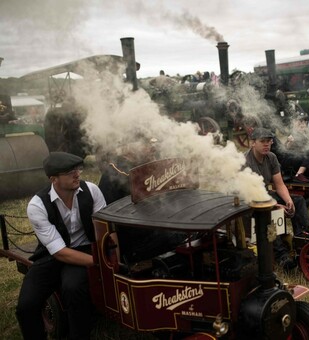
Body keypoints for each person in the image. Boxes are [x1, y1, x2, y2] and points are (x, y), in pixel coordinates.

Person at [16, 152, 107, 339]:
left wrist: (108, 254)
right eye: (69, 172)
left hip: (84, 248)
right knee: (27, 305)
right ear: (53, 179)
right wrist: (99, 262)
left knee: (73, 289)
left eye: (77, 169)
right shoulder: (37, 205)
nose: (77, 175)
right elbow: (59, 252)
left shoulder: (91, 190)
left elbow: (104, 229)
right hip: (52, 254)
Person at [98, 139, 187, 264]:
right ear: (127, 147)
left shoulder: (149, 166)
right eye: (146, 142)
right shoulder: (114, 175)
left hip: (157, 228)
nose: (152, 147)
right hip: (136, 241)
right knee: (177, 236)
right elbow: (109, 221)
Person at [244, 128, 309, 270]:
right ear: (252, 143)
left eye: (269, 141)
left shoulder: (272, 157)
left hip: (265, 195)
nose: (266, 145)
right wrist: (275, 206)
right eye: (262, 141)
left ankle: (303, 242)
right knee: (268, 214)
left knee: (298, 201)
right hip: (249, 201)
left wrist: (288, 201)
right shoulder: (245, 161)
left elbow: (279, 184)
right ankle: (282, 256)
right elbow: (249, 194)